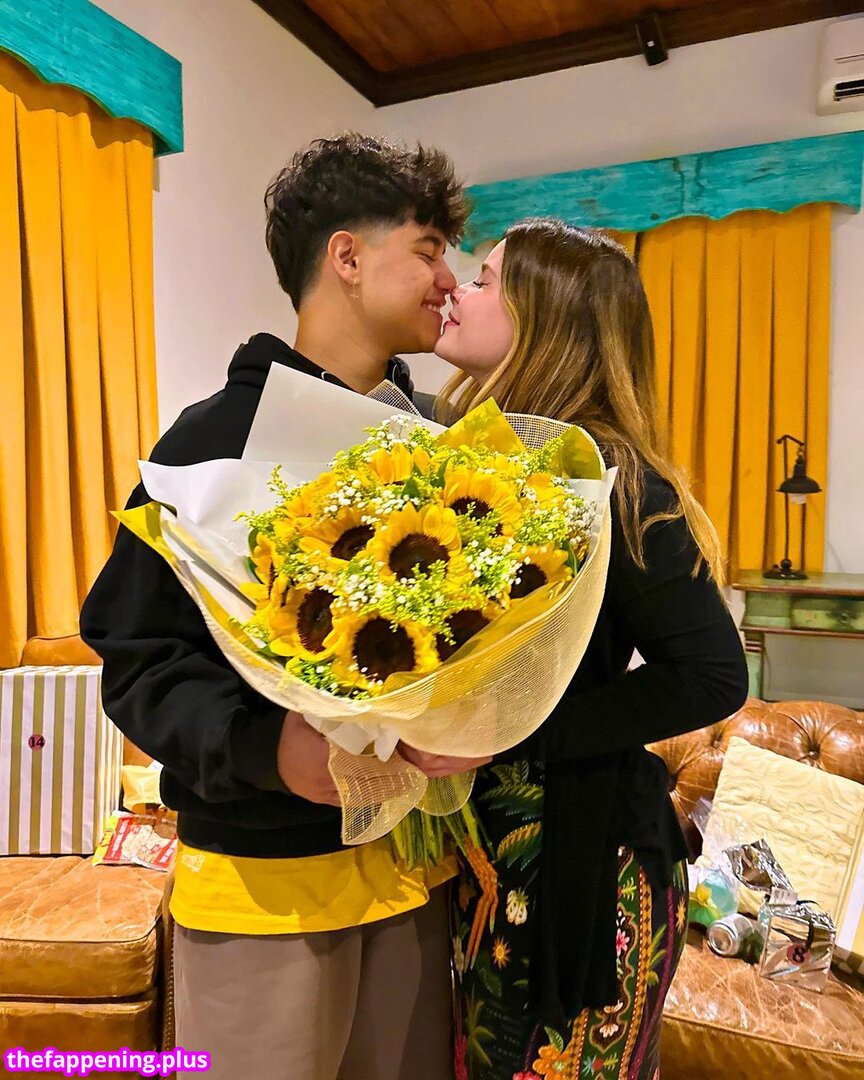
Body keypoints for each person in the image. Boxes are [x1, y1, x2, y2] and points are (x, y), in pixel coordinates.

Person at [80, 132, 485, 1080]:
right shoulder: (214, 441)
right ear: (347, 257)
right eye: (428, 249)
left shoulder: (439, 443)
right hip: (263, 890)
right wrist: (268, 750)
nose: (448, 279)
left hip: (413, 878)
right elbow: (138, 661)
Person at [433, 219, 749, 1080]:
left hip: (590, 866)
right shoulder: (479, 460)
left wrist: (514, 728)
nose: (457, 288)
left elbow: (713, 675)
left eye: (485, 279)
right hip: (501, 861)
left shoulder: (617, 479)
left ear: (545, 318)